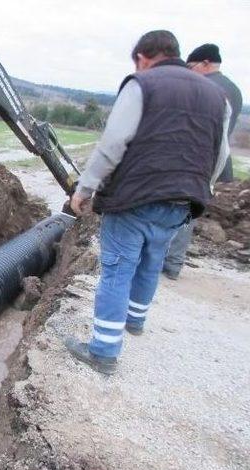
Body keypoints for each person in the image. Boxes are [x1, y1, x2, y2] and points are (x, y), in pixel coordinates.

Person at [65, 30, 231, 375]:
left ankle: (103, 352)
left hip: (136, 197)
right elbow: (220, 155)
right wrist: (203, 188)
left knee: (118, 268)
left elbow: (113, 143)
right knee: (152, 260)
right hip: (183, 201)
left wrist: (84, 189)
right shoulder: (218, 98)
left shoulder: (143, 84)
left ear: (142, 57)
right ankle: (135, 322)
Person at [163, 43, 244, 279]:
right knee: (188, 209)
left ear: (206, 63)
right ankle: (172, 262)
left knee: (176, 208)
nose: (190, 72)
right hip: (212, 162)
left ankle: (167, 262)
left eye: (192, 67)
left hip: (193, 160)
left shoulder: (206, 88)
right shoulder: (234, 89)